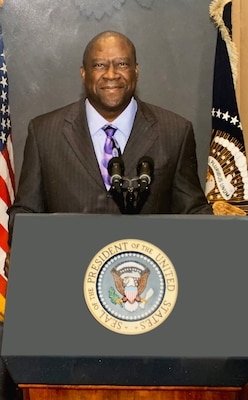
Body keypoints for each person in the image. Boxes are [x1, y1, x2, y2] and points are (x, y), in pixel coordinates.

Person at [5, 30, 212, 274]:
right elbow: (26, 210)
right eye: (100, 65)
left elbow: (193, 212)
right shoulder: (44, 132)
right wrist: (26, 245)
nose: (111, 75)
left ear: (136, 70)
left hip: (144, 290)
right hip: (66, 279)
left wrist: (221, 240)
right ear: (84, 73)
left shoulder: (175, 131)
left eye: (122, 64)